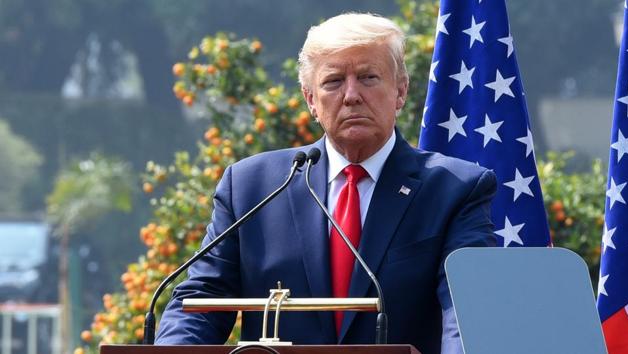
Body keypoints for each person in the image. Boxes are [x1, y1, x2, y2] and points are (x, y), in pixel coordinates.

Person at [156, 13, 497, 354]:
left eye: (368, 77)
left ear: (400, 91)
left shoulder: (455, 189)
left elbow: (465, 316)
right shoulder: (251, 187)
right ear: (310, 100)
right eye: (333, 82)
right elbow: (201, 303)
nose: (351, 95)